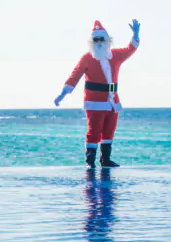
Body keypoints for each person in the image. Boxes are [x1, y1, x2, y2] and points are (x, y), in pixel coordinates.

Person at [54, 19, 140, 167]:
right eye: (96, 39)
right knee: (94, 131)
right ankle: (90, 161)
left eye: (102, 39)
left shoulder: (116, 55)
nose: (99, 42)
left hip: (113, 100)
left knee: (109, 130)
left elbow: (130, 49)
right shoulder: (87, 58)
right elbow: (75, 75)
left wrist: (136, 35)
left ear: (107, 40)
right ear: (92, 41)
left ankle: (105, 159)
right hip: (94, 101)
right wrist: (63, 93)